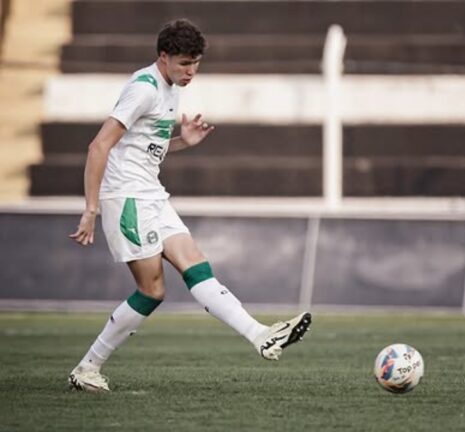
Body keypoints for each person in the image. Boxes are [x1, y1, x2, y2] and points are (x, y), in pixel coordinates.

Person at [67, 19, 311, 392]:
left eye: (195, 63)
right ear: (163, 57)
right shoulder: (143, 89)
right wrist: (91, 208)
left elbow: (145, 146)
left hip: (151, 192)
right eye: (183, 63)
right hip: (127, 197)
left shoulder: (170, 88)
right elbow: (99, 145)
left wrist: (183, 141)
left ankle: (261, 335)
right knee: (152, 291)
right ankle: (87, 367)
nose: (190, 71)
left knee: (197, 266)